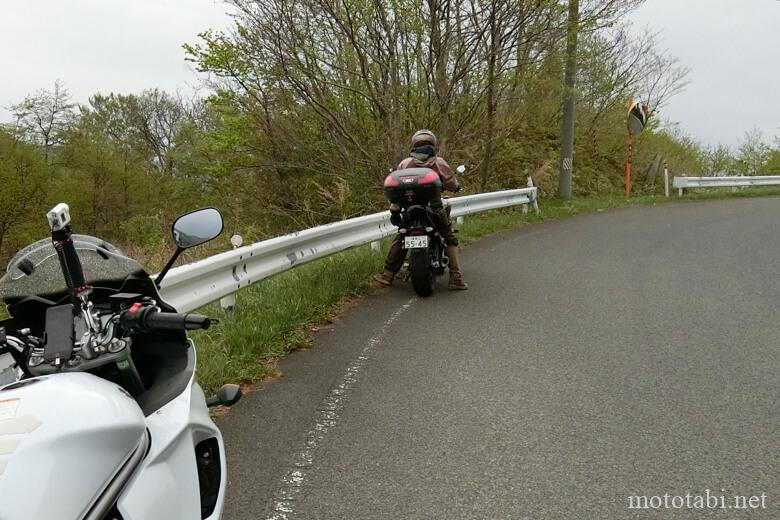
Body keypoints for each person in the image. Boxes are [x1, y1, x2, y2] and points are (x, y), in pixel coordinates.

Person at [374, 129, 468, 290]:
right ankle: (456, 278)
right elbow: (452, 183)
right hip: (434, 208)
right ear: (433, 144)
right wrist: (456, 187)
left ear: (413, 145)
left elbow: (396, 190)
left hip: (409, 208)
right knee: (449, 237)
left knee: (402, 235)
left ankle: (387, 275)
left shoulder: (405, 164)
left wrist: (395, 209)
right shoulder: (438, 162)